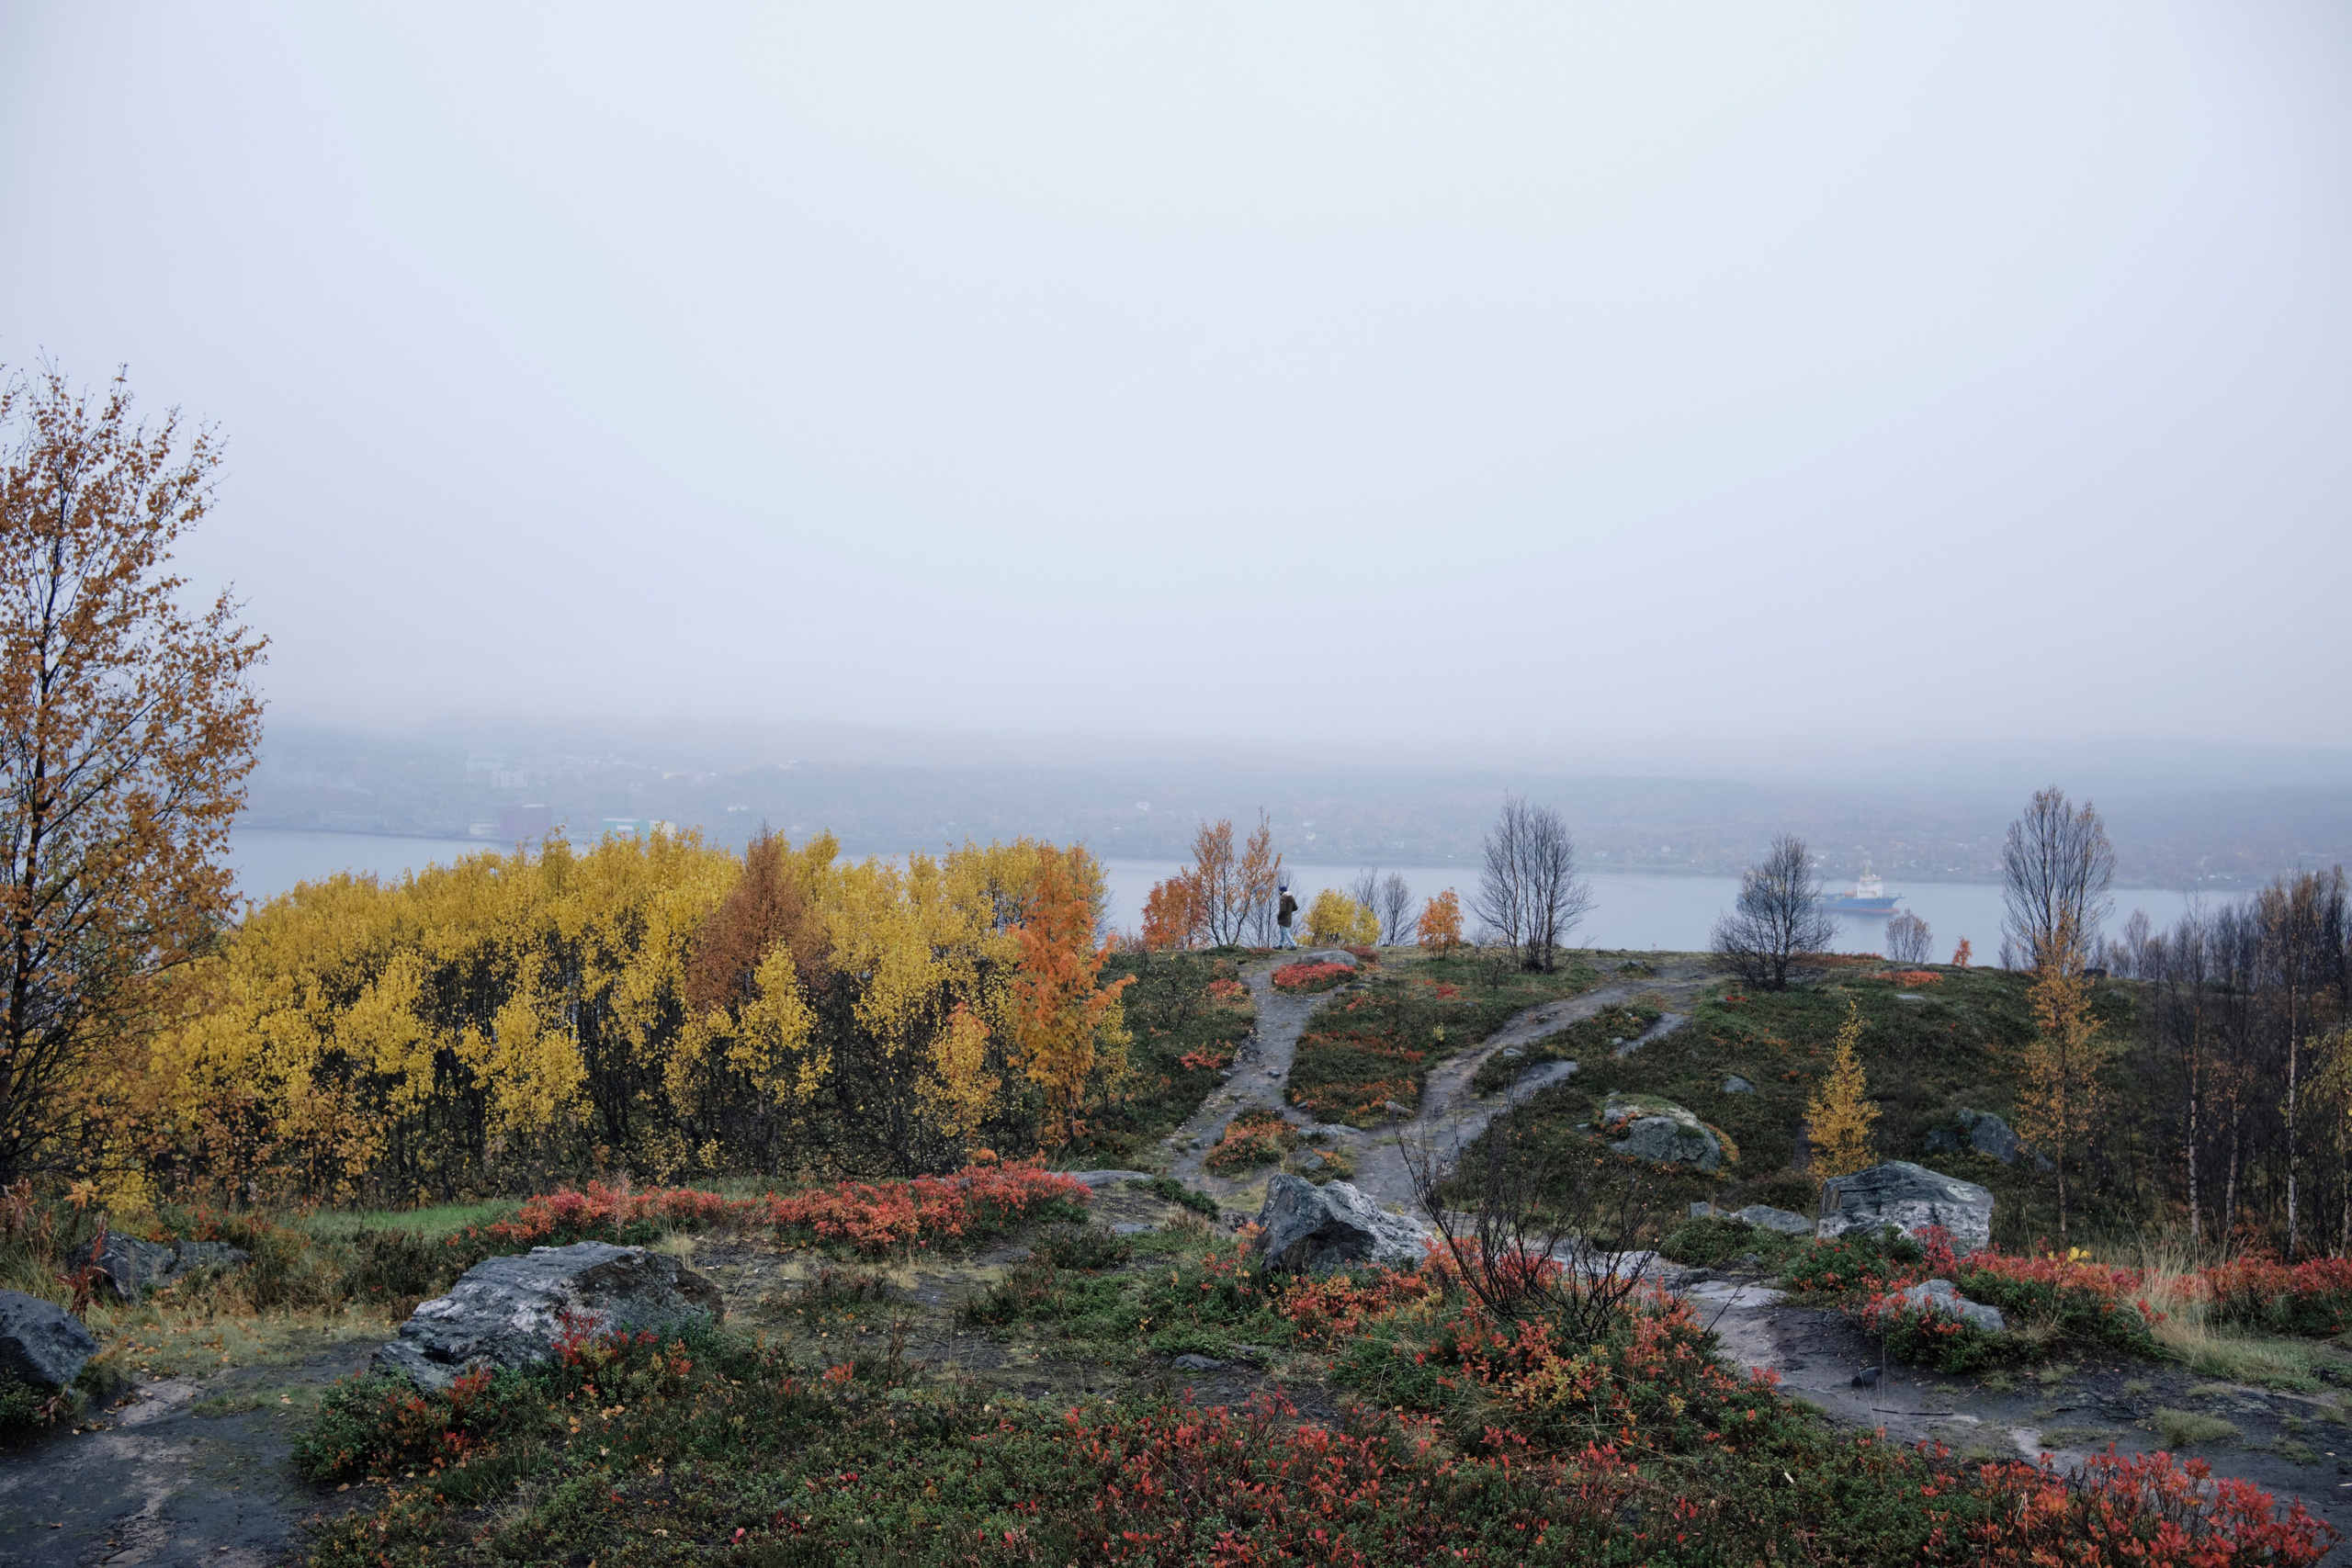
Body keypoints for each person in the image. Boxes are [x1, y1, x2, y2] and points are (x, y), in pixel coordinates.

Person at [1275, 881, 1299, 948]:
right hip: (1289, 917)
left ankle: (1293, 944)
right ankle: (1280, 944)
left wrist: (1279, 916)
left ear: (1281, 891)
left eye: (1279, 891)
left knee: (1285, 932)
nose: (1279, 892)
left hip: (1284, 918)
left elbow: (1282, 910)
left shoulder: (1283, 898)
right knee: (1282, 931)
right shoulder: (1291, 897)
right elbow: (1296, 907)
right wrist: (1289, 912)